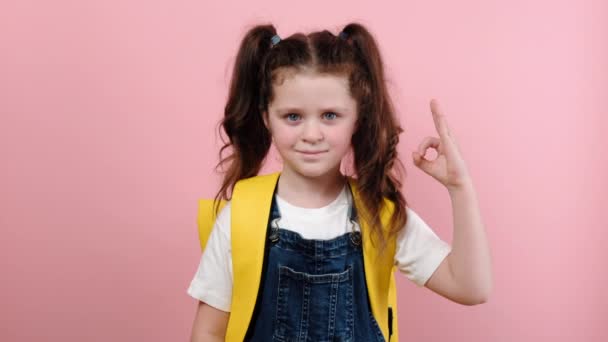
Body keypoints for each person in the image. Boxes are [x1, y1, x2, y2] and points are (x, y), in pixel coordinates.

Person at [187, 22, 493, 342]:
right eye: (293, 116)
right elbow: (208, 332)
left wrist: (460, 187)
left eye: (330, 115)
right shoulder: (241, 215)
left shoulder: (380, 216)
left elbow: (471, 287)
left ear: (357, 118)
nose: (311, 134)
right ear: (267, 118)